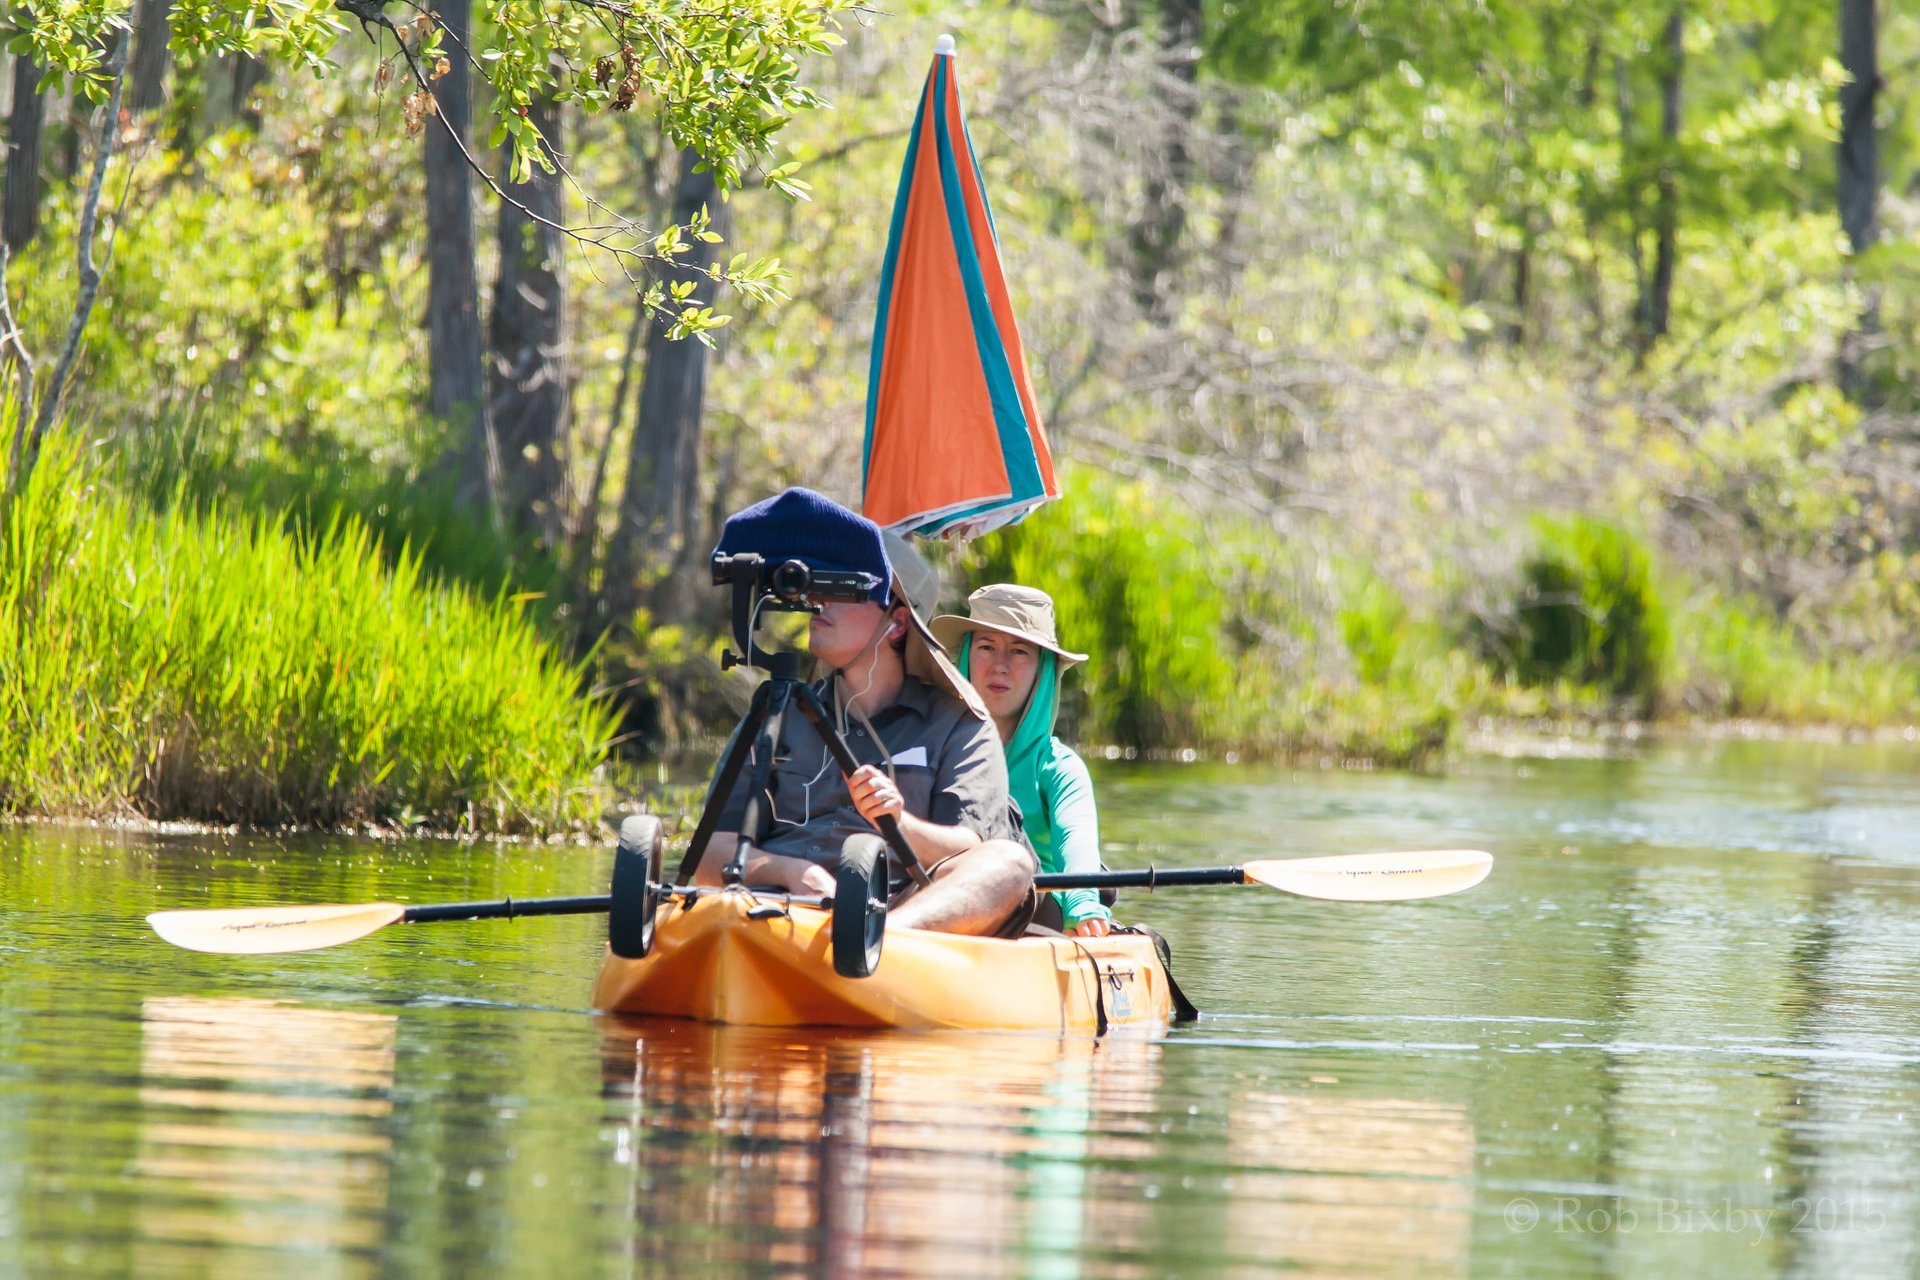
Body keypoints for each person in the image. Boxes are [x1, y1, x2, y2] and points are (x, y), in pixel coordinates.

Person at [693, 489, 1038, 938]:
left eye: (841, 587)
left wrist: (898, 821)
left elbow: (970, 848)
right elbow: (708, 851)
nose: (818, 601)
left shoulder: (959, 725)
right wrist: (788, 869)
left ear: (896, 623)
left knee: (1009, 861)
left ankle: (873, 942)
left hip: (897, 918)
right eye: (817, 584)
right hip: (775, 909)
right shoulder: (776, 712)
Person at [931, 585, 1114, 938]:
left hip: (1033, 913)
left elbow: (1076, 842)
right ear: (967, 656)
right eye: (986, 647)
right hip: (943, 895)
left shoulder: (1060, 768)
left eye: (1019, 651)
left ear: (1042, 670)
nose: (1000, 666)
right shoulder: (934, 749)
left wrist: (1083, 906)